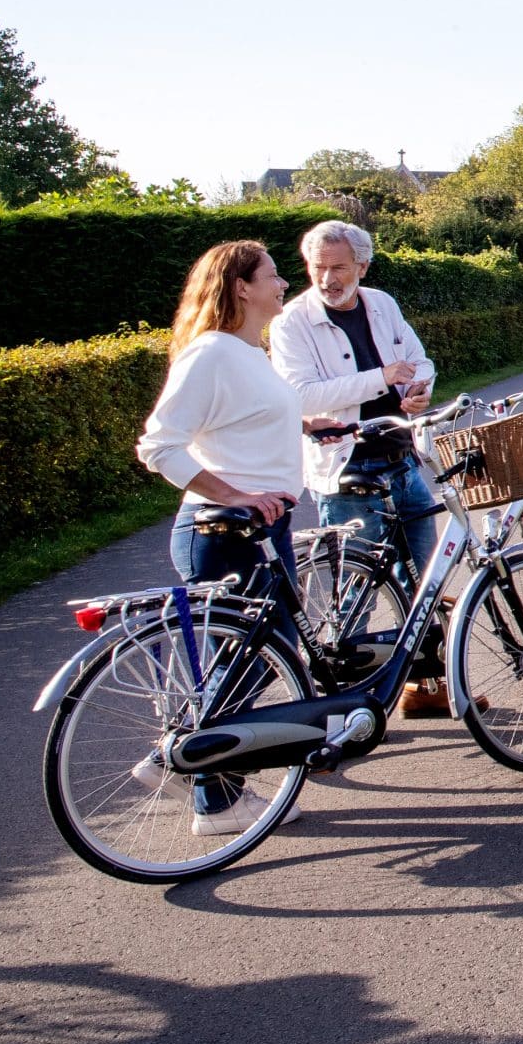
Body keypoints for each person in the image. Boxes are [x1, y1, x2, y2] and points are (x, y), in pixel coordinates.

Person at [136, 239, 308, 835]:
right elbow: (159, 445)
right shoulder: (210, 352)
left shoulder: (246, 352)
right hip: (223, 530)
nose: (284, 284)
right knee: (252, 660)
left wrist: (312, 425)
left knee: (258, 658)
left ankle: (202, 779)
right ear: (241, 287)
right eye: (273, 275)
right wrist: (233, 494)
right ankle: (201, 783)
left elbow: (243, 422)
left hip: (265, 527)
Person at [269, 218, 453, 714]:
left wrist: (419, 390)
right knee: (353, 598)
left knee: (423, 582)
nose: (328, 278)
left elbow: (420, 360)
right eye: (317, 267)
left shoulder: (383, 304)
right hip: (347, 470)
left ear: (362, 266)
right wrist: (382, 379)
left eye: (339, 268)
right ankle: (343, 710)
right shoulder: (291, 322)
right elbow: (299, 394)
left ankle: (423, 688)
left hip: (402, 458)